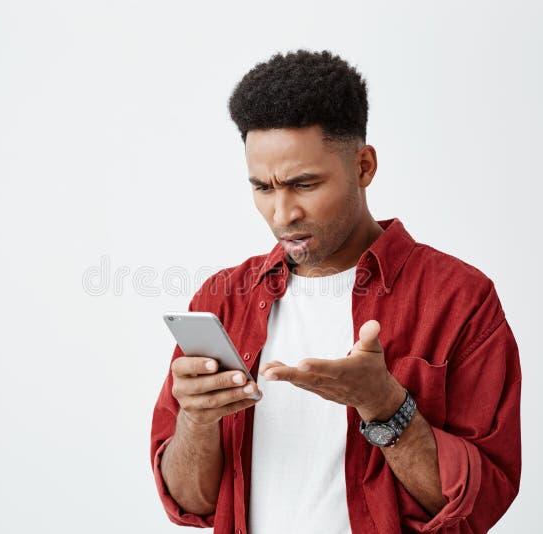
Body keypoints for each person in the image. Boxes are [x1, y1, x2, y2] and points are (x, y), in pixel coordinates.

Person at [150, 49, 521, 534]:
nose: (282, 215)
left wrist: (386, 406)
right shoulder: (222, 300)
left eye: (304, 184)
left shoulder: (459, 300)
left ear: (364, 166)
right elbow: (190, 505)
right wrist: (198, 421)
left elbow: (480, 507)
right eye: (263, 187)